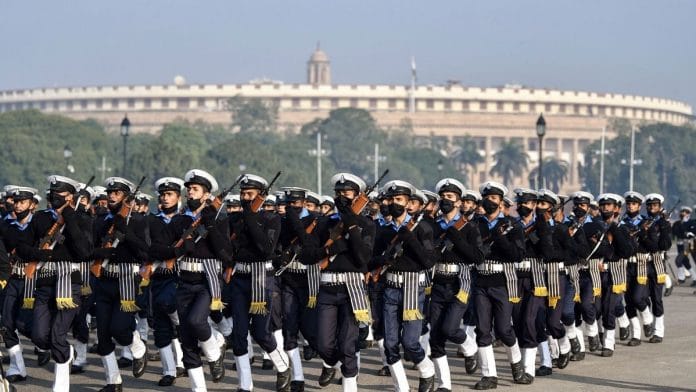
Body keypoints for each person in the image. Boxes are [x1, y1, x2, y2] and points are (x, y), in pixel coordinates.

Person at [149, 169, 230, 391]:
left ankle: (214, 351)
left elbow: (225, 252)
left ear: (206, 195)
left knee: (196, 321)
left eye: (195, 189)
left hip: (207, 281)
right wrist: (179, 249)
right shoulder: (180, 220)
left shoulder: (218, 218)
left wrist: (210, 225)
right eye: (189, 189)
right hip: (183, 280)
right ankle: (198, 388)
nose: (190, 192)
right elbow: (156, 249)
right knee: (186, 340)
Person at [16, 175, 91, 392]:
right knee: (39, 335)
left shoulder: (82, 219)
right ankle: (64, 353)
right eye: (53, 194)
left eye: (61, 195)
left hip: (70, 284)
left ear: (71, 197)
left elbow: (84, 252)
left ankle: (61, 386)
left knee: (58, 334)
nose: (56, 198)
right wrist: (40, 253)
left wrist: (69, 219)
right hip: (45, 282)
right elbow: (22, 247)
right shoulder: (40, 219)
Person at [301, 173, 375, 392]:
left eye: (347, 193)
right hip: (327, 288)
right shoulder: (325, 222)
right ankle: (331, 364)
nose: (342, 196)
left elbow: (363, 258)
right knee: (323, 344)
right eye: (339, 193)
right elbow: (306, 256)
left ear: (357, 196)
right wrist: (330, 248)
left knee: (347, 344)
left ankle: (349, 385)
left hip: (352, 289)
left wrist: (352, 226)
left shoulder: (367, 224)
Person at [228, 173, 291, 392]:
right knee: (238, 333)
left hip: (261, 280)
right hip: (239, 279)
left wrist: (251, 217)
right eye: (243, 194)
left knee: (262, 333)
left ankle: (283, 367)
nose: (245, 198)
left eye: (250, 194)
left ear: (260, 197)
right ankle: (245, 384)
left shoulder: (271, 218)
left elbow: (265, 248)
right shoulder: (235, 219)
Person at [92, 177, 150, 392]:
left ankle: (138, 347)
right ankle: (113, 381)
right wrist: (105, 251)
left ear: (126, 198)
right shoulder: (100, 221)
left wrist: (126, 234)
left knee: (119, 328)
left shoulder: (138, 221)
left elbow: (145, 251)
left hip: (127, 279)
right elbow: (89, 250)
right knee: (103, 335)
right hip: (105, 279)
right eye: (110, 193)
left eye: (117, 193)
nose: (112, 196)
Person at [429, 178, 483, 392]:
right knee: (436, 337)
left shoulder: (469, 228)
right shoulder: (434, 226)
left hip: (460, 283)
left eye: (450, 198)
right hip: (438, 282)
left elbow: (477, 257)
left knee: (450, 328)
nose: (445, 201)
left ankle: (469, 347)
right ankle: (444, 384)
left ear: (460, 202)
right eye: (443, 197)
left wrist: (456, 238)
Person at [472, 181, 525, 390]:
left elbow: (518, 255)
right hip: (481, 282)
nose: (489, 201)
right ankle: (489, 375)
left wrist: (500, 239)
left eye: (493, 198)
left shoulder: (512, 225)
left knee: (503, 329)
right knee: (483, 329)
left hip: (502, 282)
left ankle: (516, 363)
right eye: (487, 198)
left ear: (501, 202)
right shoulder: (476, 224)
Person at [145, 177, 187, 386]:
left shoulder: (185, 220)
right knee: (160, 326)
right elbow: (149, 248)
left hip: (180, 276)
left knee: (169, 305)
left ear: (179, 197)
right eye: (163, 194)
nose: (165, 198)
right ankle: (169, 370)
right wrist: (171, 250)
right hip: (158, 275)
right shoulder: (152, 220)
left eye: (170, 194)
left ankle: (185, 354)